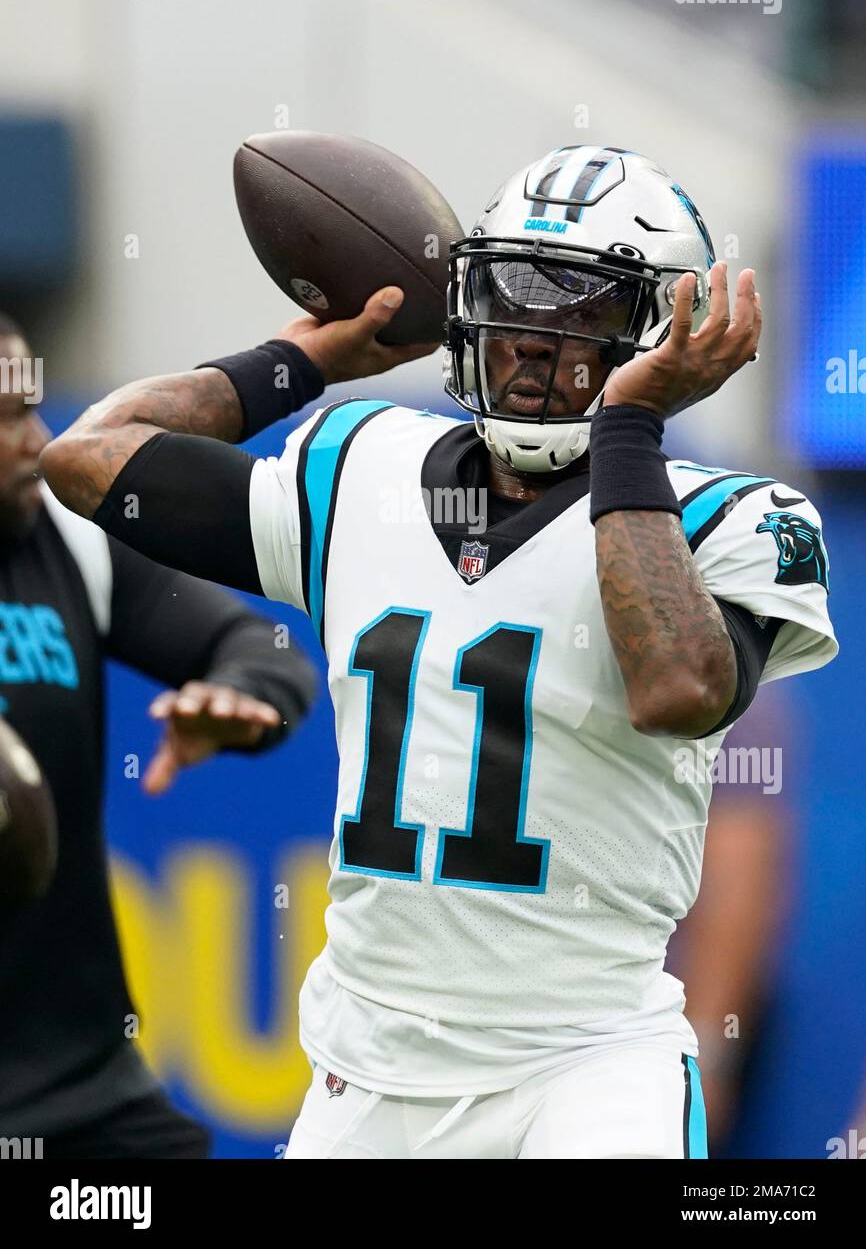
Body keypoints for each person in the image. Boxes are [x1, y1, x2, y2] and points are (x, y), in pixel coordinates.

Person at [40, 145, 838, 1160]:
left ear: (654, 332)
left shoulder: (731, 516)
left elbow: (676, 684)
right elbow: (87, 457)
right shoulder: (361, 462)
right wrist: (300, 360)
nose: (529, 343)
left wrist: (630, 425)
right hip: (367, 1062)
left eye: (574, 314)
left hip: (585, 1064)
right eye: (511, 301)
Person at [0, 311, 318, 1158]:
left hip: (85, 1092)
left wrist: (235, 698)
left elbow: (264, 650)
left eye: (32, 407)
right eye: (6, 418)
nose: (37, 439)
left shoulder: (61, 540)